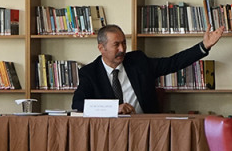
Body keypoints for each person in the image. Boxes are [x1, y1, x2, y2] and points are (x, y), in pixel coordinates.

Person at [70, 24, 224, 114]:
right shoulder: (89, 73)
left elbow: (173, 63)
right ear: (101, 48)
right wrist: (113, 109)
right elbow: (78, 104)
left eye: (124, 43)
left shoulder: (138, 62)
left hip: (146, 128)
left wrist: (204, 46)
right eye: (116, 45)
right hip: (110, 132)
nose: (122, 49)